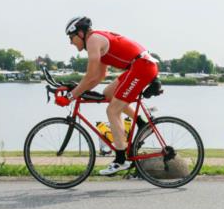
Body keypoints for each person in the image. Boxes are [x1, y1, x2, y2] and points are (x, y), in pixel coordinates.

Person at [61, 16, 159, 175]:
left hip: (141, 67)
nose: (70, 42)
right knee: (108, 94)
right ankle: (142, 124)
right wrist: (79, 90)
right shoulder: (96, 40)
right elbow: (98, 77)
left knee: (112, 111)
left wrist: (70, 96)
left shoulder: (93, 40)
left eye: (71, 38)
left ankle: (121, 159)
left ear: (80, 33)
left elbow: (90, 77)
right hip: (141, 66)